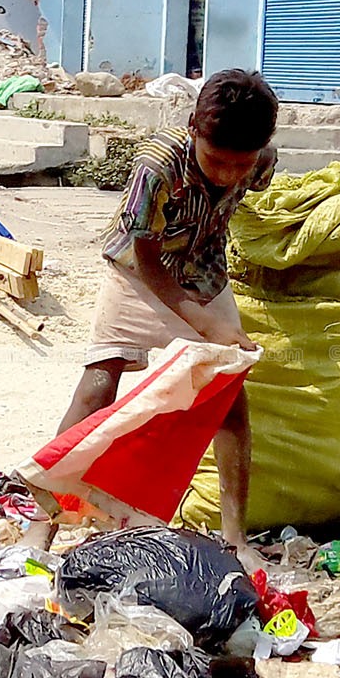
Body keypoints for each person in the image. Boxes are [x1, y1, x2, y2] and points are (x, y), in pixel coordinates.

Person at [40, 69, 278, 571]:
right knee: (98, 384)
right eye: (217, 161)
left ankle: (235, 537)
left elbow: (244, 211)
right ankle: (41, 517)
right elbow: (146, 258)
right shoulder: (157, 165)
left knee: (229, 396)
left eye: (242, 164)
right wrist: (210, 328)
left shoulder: (261, 161)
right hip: (137, 271)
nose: (228, 175)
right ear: (193, 128)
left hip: (204, 272)